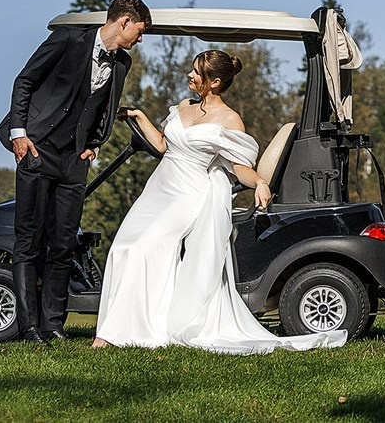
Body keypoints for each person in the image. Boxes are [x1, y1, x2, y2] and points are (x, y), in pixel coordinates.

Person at [93, 50, 347, 353]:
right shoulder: (184, 106)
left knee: (142, 248)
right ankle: (126, 325)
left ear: (214, 82)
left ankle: (112, 335)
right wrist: (139, 116)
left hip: (189, 194)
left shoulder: (229, 119)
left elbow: (239, 167)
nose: (189, 75)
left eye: (197, 73)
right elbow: (162, 146)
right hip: (159, 189)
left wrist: (260, 182)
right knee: (124, 246)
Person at [0, 0, 152, 342]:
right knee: (29, 240)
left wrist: (95, 143)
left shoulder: (121, 64)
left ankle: (53, 324)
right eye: (139, 31)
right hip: (37, 150)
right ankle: (29, 327)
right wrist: (20, 136)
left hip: (74, 161)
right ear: (123, 22)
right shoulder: (66, 40)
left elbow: (105, 107)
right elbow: (25, 81)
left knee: (64, 243)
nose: (139, 39)